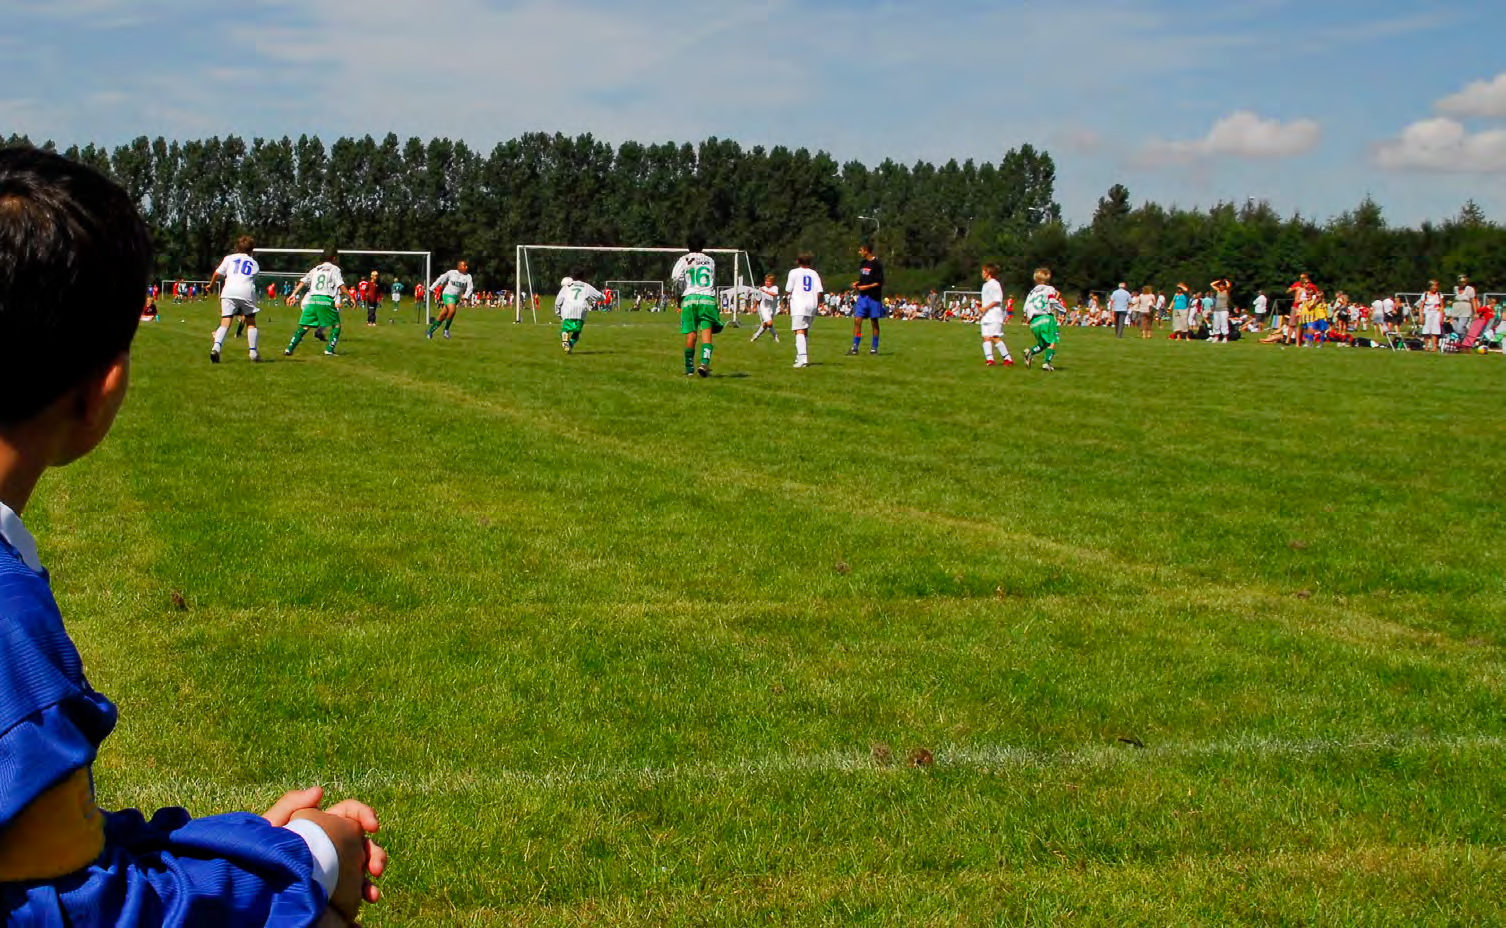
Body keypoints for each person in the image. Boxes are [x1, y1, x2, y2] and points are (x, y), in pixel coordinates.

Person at [0, 146, 385, 927]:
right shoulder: (7, 632)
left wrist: (241, 844)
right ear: (101, 391)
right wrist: (311, 856)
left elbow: (45, 858)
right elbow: (66, 913)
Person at [285, 247, 358, 356]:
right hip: (325, 300)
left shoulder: (316, 269)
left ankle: (289, 348)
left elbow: (303, 281)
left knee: (305, 326)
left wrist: (293, 294)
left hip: (312, 300)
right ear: (334, 258)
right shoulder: (334, 269)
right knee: (336, 325)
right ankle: (329, 349)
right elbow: (340, 285)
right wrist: (351, 297)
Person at [671, 232, 722, 377]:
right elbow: (712, 279)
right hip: (707, 298)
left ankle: (689, 369)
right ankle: (704, 363)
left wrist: (679, 299)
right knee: (707, 332)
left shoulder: (684, 259)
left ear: (688, 245)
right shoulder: (710, 261)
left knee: (691, 335)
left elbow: (675, 278)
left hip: (690, 298)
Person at [206, 235, 263, 363]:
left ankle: (216, 348)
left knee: (225, 321)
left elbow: (217, 273)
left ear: (237, 247)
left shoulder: (229, 258)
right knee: (251, 322)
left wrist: (211, 286)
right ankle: (253, 353)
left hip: (229, 291)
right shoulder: (254, 263)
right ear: (251, 249)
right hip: (246, 291)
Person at [1021, 267, 1064, 371]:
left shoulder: (1031, 293)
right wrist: (1063, 310)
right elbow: (1052, 301)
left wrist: (1027, 318)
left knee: (1043, 344)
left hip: (1034, 322)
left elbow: (1025, 308)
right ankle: (1046, 363)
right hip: (1046, 318)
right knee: (1052, 341)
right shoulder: (1049, 289)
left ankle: (1030, 352)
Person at [786, 253, 823, 368]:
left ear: (798, 261)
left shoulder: (794, 272)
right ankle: (801, 356)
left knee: (799, 330)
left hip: (799, 304)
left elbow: (788, 289)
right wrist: (817, 304)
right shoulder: (814, 273)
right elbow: (820, 291)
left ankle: (803, 358)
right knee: (805, 330)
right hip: (812, 304)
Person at [848, 241, 885, 355]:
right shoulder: (863, 263)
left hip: (873, 297)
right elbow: (864, 278)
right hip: (863, 297)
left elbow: (879, 282)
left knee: (874, 322)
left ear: (866, 251)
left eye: (861, 250)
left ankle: (874, 347)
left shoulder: (877, 264)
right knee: (857, 321)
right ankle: (855, 347)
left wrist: (866, 287)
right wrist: (857, 283)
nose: (859, 252)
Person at [555, 271, 603, 354]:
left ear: (572, 277)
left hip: (568, 310)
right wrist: (603, 297)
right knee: (576, 332)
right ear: (583, 277)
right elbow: (599, 296)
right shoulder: (586, 286)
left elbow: (558, 302)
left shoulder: (566, 287)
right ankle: (570, 344)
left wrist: (558, 313)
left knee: (565, 329)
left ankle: (565, 338)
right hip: (581, 310)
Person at [426, 261, 474, 339]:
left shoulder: (468, 276)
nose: (466, 267)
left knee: (442, 315)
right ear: (458, 267)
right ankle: (446, 330)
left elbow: (470, 287)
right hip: (447, 294)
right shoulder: (452, 273)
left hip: (456, 298)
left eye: (466, 266)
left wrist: (466, 296)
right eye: (464, 266)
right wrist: (432, 288)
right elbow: (441, 279)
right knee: (452, 310)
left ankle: (430, 331)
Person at [978, 263, 1013, 366]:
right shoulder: (985, 285)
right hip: (986, 315)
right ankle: (990, 359)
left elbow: (997, 300)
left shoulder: (995, 284)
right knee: (985, 337)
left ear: (988, 273)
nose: (982, 273)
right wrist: (981, 305)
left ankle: (1008, 358)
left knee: (994, 336)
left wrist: (985, 307)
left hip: (994, 314)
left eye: (983, 271)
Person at [751, 274, 781, 343]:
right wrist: (755, 307)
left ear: (772, 282)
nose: (767, 283)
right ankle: (775, 336)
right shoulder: (762, 288)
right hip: (764, 307)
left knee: (765, 324)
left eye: (769, 281)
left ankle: (756, 336)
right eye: (766, 281)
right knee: (769, 323)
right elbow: (758, 299)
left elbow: (775, 294)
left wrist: (765, 292)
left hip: (772, 308)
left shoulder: (775, 288)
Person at [1421, 279, 1445, 352]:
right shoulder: (1425, 294)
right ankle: (1426, 346)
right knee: (1426, 329)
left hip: (1436, 313)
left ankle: (1434, 346)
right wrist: (1421, 316)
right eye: (1433, 286)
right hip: (1427, 312)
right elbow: (1421, 306)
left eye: (1436, 286)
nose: (1435, 288)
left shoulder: (1439, 295)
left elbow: (1442, 306)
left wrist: (1442, 316)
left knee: (1435, 330)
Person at [1209, 278, 1233, 344]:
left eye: (1222, 285)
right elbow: (1212, 284)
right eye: (1220, 285)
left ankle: (1225, 337)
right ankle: (1216, 336)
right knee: (1216, 323)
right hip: (1217, 310)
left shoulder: (1226, 291)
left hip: (1224, 309)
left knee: (1224, 323)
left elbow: (1229, 286)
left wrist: (1226, 281)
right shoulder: (1218, 291)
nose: (1221, 286)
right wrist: (1218, 281)